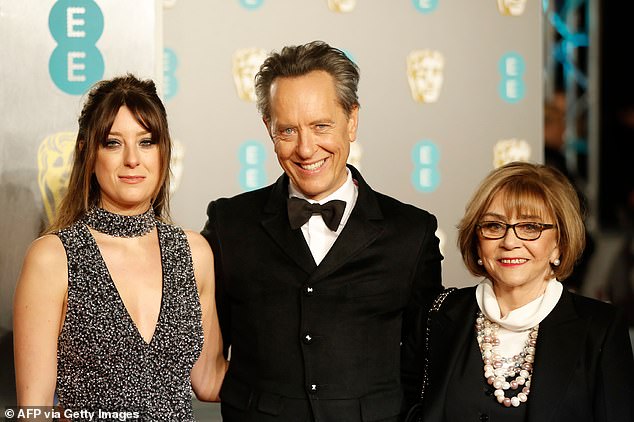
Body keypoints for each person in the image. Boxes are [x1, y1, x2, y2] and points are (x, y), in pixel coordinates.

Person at [201, 40, 443, 422]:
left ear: (352, 121)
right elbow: (202, 355)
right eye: (288, 131)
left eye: (321, 126)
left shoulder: (411, 233)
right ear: (268, 129)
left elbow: (426, 365)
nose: (306, 148)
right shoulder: (231, 223)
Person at [13, 74, 227, 420]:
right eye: (113, 143)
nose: (132, 159)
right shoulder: (53, 259)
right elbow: (33, 410)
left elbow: (208, 378)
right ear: (88, 153)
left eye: (146, 142)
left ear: (164, 151)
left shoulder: (193, 253)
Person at [419, 162, 633, 421]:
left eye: (530, 227)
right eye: (494, 226)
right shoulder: (438, 314)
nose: (510, 242)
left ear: (559, 244)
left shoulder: (601, 329)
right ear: (477, 242)